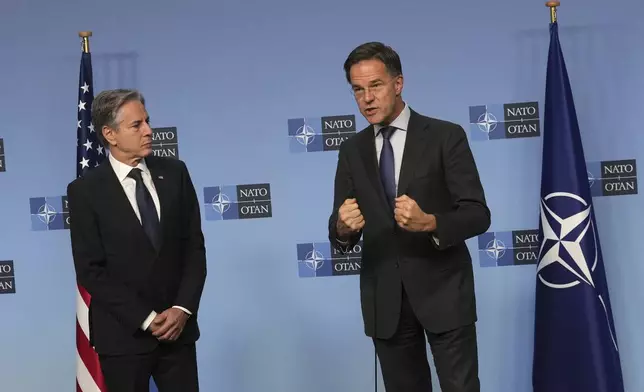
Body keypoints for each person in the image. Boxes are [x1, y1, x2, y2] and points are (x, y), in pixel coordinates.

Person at [328, 42, 491, 392]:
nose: (366, 98)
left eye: (375, 86)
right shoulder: (351, 150)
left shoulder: (445, 136)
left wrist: (431, 222)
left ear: (398, 83)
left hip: (444, 294)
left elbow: (477, 214)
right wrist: (343, 228)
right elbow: (341, 230)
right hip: (385, 303)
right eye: (358, 89)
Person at [67, 89, 207, 392]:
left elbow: (193, 249)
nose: (148, 130)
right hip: (123, 337)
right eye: (136, 125)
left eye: (147, 121)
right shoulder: (85, 191)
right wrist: (146, 318)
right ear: (110, 134)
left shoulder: (175, 173)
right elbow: (91, 270)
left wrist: (182, 309)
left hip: (177, 335)